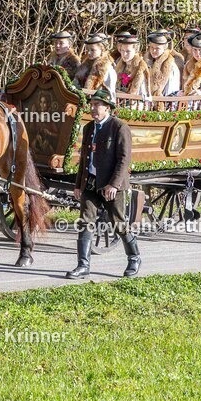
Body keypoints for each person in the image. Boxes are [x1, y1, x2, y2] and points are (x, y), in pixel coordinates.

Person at [67, 88, 139, 279]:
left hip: (112, 185)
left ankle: (134, 258)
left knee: (118, 223)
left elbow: (124, 159)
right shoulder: (88, 128)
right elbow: (84, 159)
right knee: (85, 221)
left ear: (108, 108)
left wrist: (114, 185)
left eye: (97, 105)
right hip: (91, 182)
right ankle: (83, 265)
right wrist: (78, 185)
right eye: (92, 105)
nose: (93, 109)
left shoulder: (119, 127)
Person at [73, 33, 117, 100]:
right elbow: (75, 83)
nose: (89, 53)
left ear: (102, 50)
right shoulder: (84, 66)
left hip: (99, 102)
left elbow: (110, 92)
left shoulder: (107, 69)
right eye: (88, 50)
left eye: (93, 50)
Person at [114, 32, 150, 104]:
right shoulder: (120, 65)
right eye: (122, 51)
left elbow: (144, 94)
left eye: (128, 51)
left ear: (135, 51)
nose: (124, 54)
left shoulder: (140, 67)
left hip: (136, 103)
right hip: (120, 101)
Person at [145, 32, 180, 98]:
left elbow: (172, 91)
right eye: (152, 47)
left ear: (164, 49)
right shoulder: (147, 62)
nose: (154, 50)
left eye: (157, 48)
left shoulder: (170, 66)